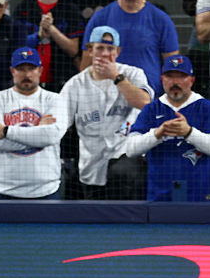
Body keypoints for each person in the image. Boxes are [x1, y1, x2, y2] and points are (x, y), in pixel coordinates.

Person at [59, 25, 152, 199]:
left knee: (122, 176)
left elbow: (144, 103)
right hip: (91, 164)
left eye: (110, 49)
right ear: (90, 50)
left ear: (118, 52)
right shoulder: (75, 84)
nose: (105, 53)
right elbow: (60, 123)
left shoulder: (133, 74)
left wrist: (116, 77)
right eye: (100, 48)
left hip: (126, 155)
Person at [124, 55, 210, 201]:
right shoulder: (151, 109)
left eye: (181, 77)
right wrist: (157, 134)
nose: (175, 82)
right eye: (170, 76)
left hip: (201, 198)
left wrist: (189, 133)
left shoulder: (207, 108)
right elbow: (130, 150)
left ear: (191, 80)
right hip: (160, 197)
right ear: (162, 79)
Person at [0, 46, 69, 198]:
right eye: (21, 69)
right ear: (12, 71)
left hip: (46, 190)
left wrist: (5, 132)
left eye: (32, 68)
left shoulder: (55, 100)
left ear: (40, 71)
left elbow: (52, 137)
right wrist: (38, 134)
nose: (27, 74)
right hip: (2, 189)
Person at [81, 0, 179, 93]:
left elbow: (173, 64)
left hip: (149, 99)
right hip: (107, 98)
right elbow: (86, 65)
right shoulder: (100, 18)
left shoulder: (161, 20)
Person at [11, 0, 84, 91]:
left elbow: (73, 50)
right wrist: (38, 36)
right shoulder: (24, 7)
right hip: (27, 81)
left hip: (62, 81)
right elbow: (16, 45)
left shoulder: (70, 9)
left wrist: (51, 29)